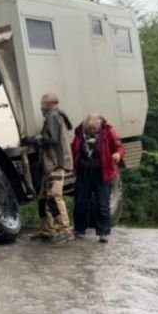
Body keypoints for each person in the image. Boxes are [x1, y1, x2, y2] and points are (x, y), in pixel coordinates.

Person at [22, 92, 74, 244]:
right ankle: (47, 229)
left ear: (49, 104)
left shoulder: (52, 116)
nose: (40, 107)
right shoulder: (56, 116)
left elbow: (50, 139)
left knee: (54, 196)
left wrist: (33, 140)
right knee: (43, 198)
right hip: (50, 164)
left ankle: (65, 229)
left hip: (55, 163)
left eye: (42, 104)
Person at [71, 113, 124, 242]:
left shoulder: (108, 131)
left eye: (95, 129)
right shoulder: (80, 132)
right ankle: (79, 229)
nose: (92, 131)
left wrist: (118, 154)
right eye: (90, 129)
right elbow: (74, 149)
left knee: (103, 204)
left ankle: (103, 232)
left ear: (99, 125)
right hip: (84, 173)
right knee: (80, 203)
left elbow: (119, 147)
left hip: (103, 174)